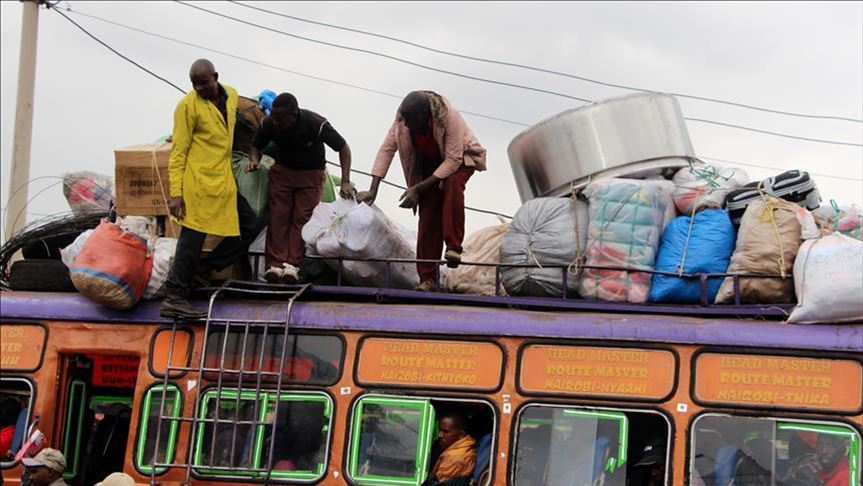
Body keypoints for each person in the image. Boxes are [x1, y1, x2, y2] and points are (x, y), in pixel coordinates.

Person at [160, 58, 261, 318]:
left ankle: (203, 270)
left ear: (215, 77)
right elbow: (178, 152)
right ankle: (175, 296)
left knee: (250, 224)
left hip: (224, 182)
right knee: (191, 240)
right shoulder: (187, 106)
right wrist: (176, 194)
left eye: (204, 83)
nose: (199, 88)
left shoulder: (231, 96)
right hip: (198, 184)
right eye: (195, 84)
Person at [358, 90, 487, 291]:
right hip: (430, 165)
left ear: (425, 115)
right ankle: (428, 278)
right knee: (428, 215)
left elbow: (453, 160)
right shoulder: (402, 122)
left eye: (411, 120)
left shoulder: (448, 117)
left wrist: (417, 188)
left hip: (460, 159)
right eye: (405, 120)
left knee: (452, 184)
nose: (406, 124)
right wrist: (373, 189)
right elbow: (387, 150)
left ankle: (453, 246)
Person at [247, 92, 354, 284]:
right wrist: (254, 160)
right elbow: (255, 146)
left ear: (294, 114)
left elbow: (343, 148)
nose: (276, 122)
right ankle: (274, 265)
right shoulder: (271, 122)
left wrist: (345, 180)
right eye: (274, 117)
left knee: (302, 218)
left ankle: (293, 266)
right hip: (283, 171)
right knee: (278, 216)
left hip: (311, 174)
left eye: (281, 119)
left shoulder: (314, 123)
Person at [426, 412, 476, 485]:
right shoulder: (465, 444)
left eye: (446, 432)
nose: (440, 435)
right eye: (440, 430)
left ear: (461, 434)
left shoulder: (454, 457)